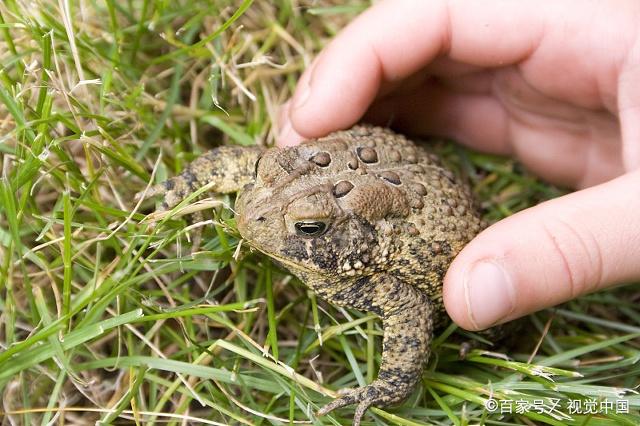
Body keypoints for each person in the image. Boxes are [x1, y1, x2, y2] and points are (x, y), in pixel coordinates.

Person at [277, 0, 640, 332]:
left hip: (434, 218)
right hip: (392, 168)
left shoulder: (369, 265)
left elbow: (408, 309)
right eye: (267, 170)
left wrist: (386, 387)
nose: (257, 211)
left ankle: (497, 332)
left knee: (497, 328)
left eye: (308, 227)